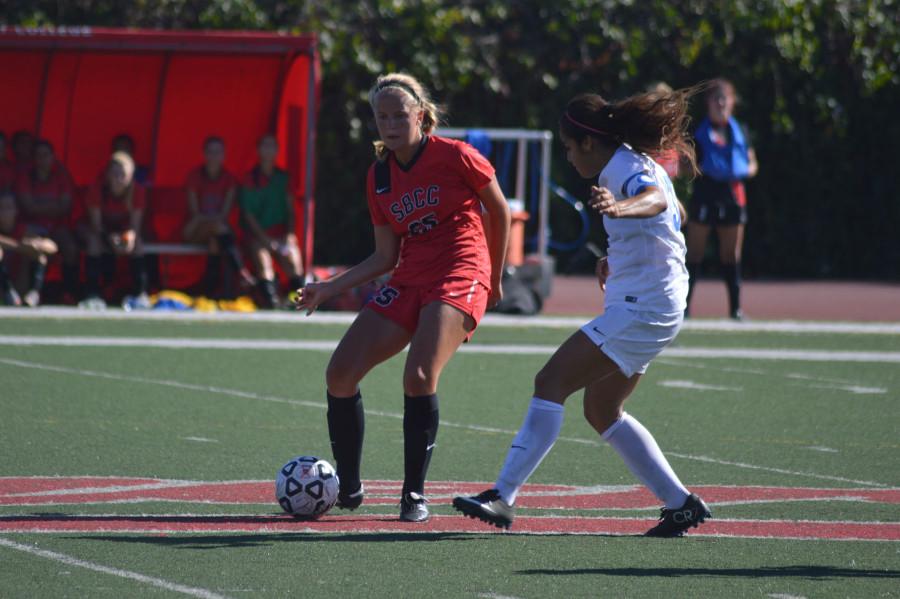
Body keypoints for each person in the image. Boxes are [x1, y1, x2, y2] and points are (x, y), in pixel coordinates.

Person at [453, 86, 711, 538]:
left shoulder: (627, 170)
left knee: (550, 382)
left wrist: (622, 208)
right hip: (658, 300)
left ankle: (503, 497)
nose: (570, 158)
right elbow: (677, 212)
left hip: (645, 306)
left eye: (571, 148)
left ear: (590, 143)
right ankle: (681, 504)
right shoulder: (634, 163)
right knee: (602, 408)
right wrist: (623, 253)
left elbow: (656, 200)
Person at [296, 72, 511, 522]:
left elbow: (500, 208)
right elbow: (383, 257)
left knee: (417, 374)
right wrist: (327, 287)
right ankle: (349, 487)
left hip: (461, 269)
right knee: (340, 373)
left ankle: (413, 494)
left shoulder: (455, 155)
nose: (390, 123)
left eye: (399, 114)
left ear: (421, 116)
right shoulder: (378, 176)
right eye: (382, 116)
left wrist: (494, 274)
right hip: (410, 276)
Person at [685, 78, 758, 320]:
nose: (720, 103)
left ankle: (735, 309)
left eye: (724, 98)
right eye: (716, 98)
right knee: (694, 253)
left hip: (732, 195)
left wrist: (744, 171)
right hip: (706, 193)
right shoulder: (699, 131)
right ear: (708, 103)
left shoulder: (740, 130)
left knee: (731, 254)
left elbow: (752, 162)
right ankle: (684, 309)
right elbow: (687, 164)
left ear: (732, 102)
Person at [238, 134, 305, 308]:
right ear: (258, 150)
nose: (268, 150)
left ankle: (299, 301)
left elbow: (290, 211)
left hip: (280, 235)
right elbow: (248, 215)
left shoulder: (283, 178)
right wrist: (265, 240)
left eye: (272, 146)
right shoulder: (250, 179)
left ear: (277, 151)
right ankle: (271, 304)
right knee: (264, 261)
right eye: (264, 146)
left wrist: (289, 235)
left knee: (293, 259)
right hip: (258, 237)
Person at [184, 136, 254, 298]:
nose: (214, 156)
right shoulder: (195, 176)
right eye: (210, 151)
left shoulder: (229, 179)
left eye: (218, 152)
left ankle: (209, 291)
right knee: (219, 229)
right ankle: (241, 271)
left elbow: (225, 214)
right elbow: (196, 215)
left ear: (224, 155)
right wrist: (211, 220)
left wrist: (212, 220)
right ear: (204, 154)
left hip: (218, 233)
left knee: (215, 243)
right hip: (194, 229)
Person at [14, 139, 80, 305]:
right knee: (38, 247)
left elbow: (65, 207)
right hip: (32, 228)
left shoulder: (61, 176)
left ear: (53, 157)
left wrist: (39, 206)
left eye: (46, 155)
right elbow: (27, 206)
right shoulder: (25, 177)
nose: (42, 159)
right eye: (38, 155)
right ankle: (34, 292)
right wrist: (52, 207)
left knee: (70, 247)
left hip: (57, 227)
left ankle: (69, 292)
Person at [81, 152, 149, 309]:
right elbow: (96, 225)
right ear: (108, 174)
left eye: (123, 174)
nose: (118, 178)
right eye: (115, 173)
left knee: (137, 244)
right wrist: (110, 239)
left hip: (122, 233)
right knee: (93, 242)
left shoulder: (137, 192)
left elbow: (135, 226)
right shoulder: (97, 189)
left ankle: (140, 293)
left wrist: (128, 238)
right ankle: (92, 293)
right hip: (99, 231)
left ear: (131, 175)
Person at [0, 191, 58, 306]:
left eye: (9, 208)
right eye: (2, 208)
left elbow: (52, 247)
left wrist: (36, 245)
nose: (6, 212)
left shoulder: (23, 229)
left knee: (39, 255)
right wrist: (20, 246)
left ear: (16, 211)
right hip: (3, 287)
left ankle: (33, 294)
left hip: (20, 282)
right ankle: (8, 292)